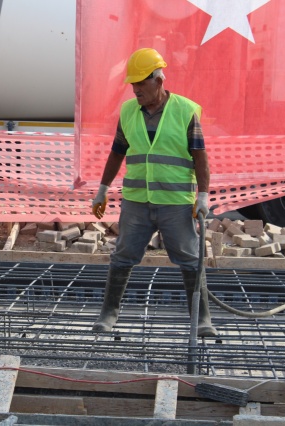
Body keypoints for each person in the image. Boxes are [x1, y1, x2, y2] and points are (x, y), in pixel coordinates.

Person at [91, 48, 217, 337]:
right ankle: (108, 314)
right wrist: (102, 189)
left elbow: (200, 156)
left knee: (189, 257)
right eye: (133, 84)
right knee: (122, 255)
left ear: (158, 80)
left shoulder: (185, 111)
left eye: (141, 84)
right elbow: (117, 152)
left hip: (174, 202)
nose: (135, 90)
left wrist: (203, 196)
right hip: (136, 201)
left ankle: (202, 319)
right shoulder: (127, 111)